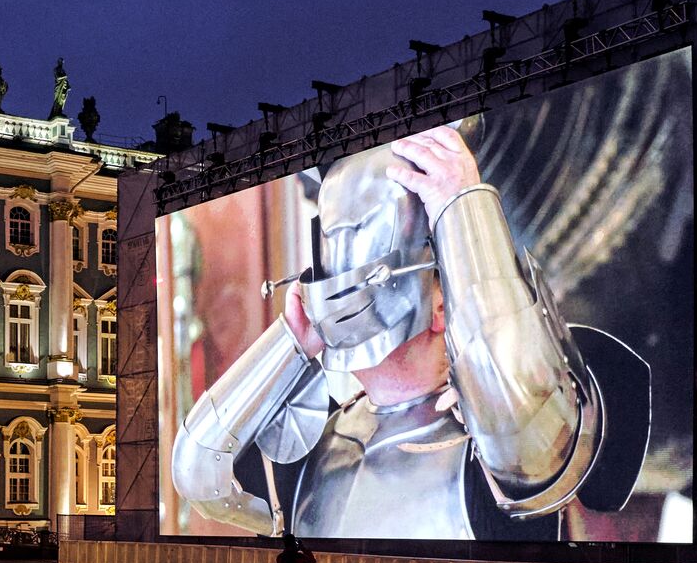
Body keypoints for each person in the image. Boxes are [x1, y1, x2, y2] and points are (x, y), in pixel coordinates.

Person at [171, 123, 650, 541]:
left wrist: (460, 201)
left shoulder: (491, 452)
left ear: (442, 307)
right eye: (334, 284)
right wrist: (289, 343)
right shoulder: (317, 451)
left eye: (363, 285)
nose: (339, 305)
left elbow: (522, 423)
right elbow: (197, 477)